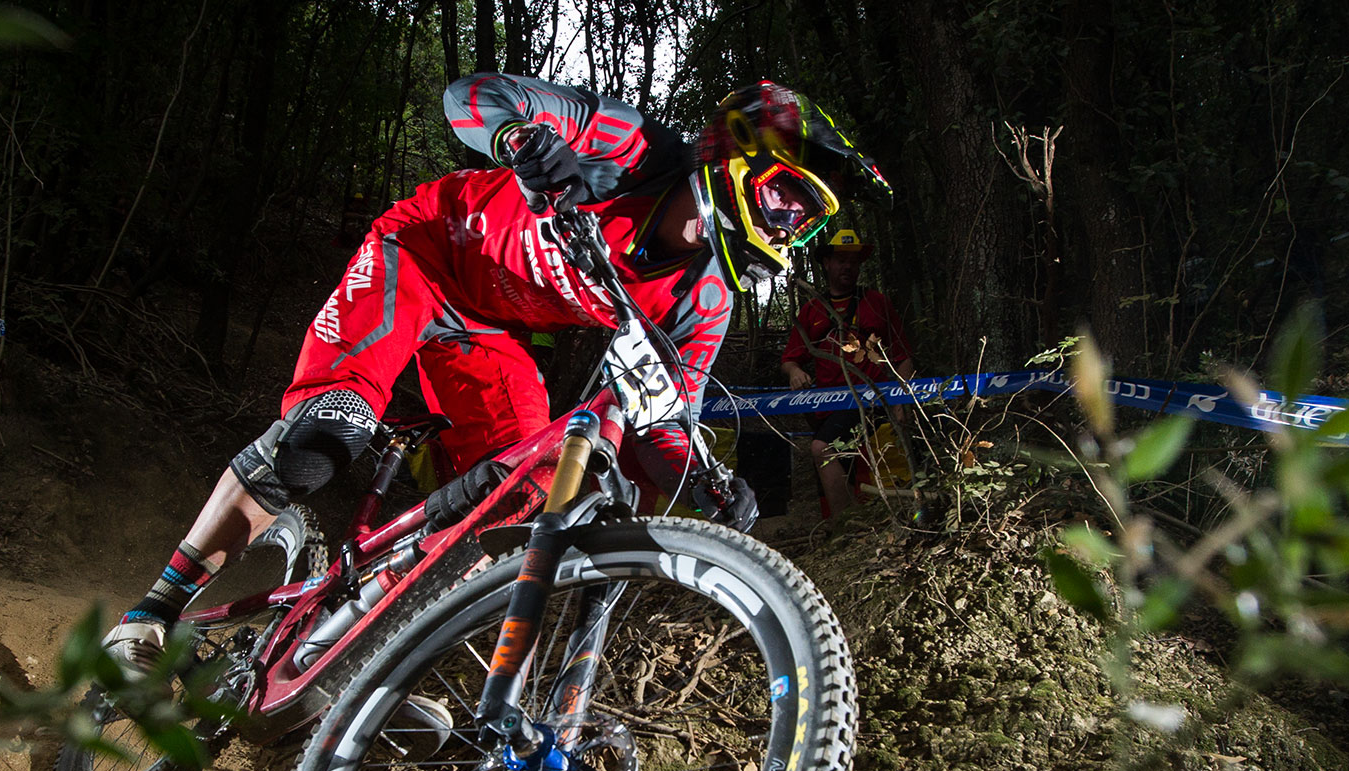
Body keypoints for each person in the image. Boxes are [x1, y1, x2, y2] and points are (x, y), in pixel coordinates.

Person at [103, 76, 891, 674]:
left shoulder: (704, 296)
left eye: (809, 220)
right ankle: (154, 610)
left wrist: (706, 491)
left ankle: (358, 651)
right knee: (326, 436)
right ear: (736, 155)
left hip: (487, 330)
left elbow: (665, 423)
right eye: (791, 199)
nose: (794, 228)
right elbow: (471, 96)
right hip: (417, 257)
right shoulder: (632, 150)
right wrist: (522, 138)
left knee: (520, 499)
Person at [779, 227, 916, 518]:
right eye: (840, 260)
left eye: (852, 261)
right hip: (828, 408)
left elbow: (904, 356)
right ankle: (840, 523)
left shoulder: (877, 303)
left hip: (872, 402)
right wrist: (794, 372)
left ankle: (848, 526)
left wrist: (901, 402)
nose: (847, 266)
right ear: (827, 263)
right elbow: (790, 359)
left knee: (821, 448)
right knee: (832, 460)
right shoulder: (812, 310)